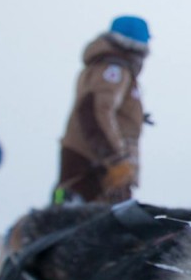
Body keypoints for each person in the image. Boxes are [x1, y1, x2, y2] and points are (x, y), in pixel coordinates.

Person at [53, 15, 151, 204]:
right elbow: (96, 111)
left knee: (75, 215)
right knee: (88, 223)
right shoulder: (114, 68)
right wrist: (115, 159)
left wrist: (134, 118)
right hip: (94, 163)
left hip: (92, 159)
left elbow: (104, 106)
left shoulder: (105, 65)